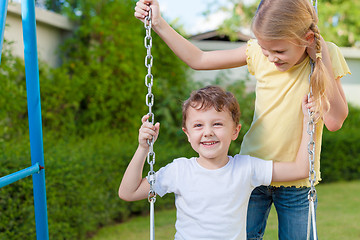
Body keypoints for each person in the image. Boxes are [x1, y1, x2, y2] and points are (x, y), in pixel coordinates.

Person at [134, 0, 350, 239]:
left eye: (279, 51)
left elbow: (335, 121)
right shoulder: (259, 53)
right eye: (266, 50)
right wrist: (159, 24)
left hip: (297, 178)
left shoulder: (326, 54)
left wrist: (321, 57)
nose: (271, 58)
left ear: (307, 39)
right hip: (251, 173)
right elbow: (199, 60)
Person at [119, 85, 314, 240]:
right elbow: (129, 192)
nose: (208, 132)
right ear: (187, 134)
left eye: (217, 124)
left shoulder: (246, 168)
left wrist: (308, 122)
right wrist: (143, 148)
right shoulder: (179, 170)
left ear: (235, 131)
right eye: (198, 125)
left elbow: (301, 169)